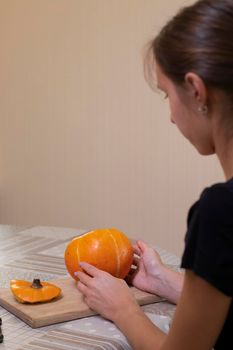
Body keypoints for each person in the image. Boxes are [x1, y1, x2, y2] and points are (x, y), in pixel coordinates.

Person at [75, 0, 233, 349]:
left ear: (196, 90)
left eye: (167, 94)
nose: (172, 117)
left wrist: (123, 309)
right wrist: (163, 281)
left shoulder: (220, 212)